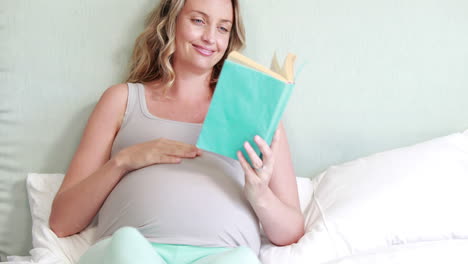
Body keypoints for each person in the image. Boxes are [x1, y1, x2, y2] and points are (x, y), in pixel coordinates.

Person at [49, 0, 305, 263]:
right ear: (171, 22)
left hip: (223, 256)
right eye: (198, 20)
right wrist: (124, 161)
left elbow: (291, 232)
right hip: (133, 253)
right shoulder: (122, 100)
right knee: (126, 245)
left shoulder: (258, 112)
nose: (210, 38)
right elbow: (62, 222)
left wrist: (260, 194)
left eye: (223, 28)